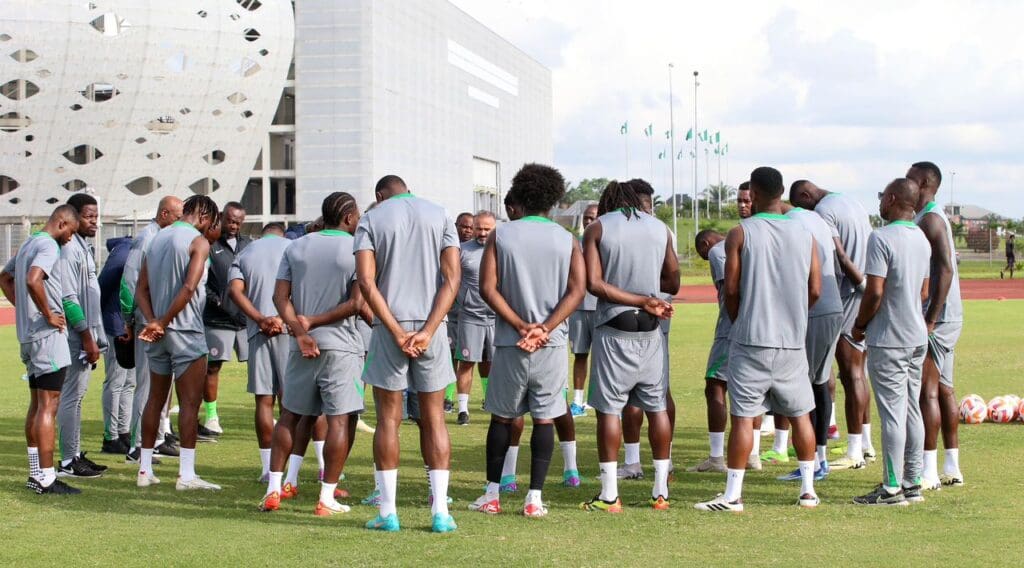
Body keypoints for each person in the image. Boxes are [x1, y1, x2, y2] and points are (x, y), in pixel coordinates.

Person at [696, 167, 822, 512]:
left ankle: (733, 495)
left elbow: (731, 289)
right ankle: (808, 491)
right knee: (800, 415)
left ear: (753, 193)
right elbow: (815, 289)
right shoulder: (804, 233)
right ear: (781, 192)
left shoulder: (740, 233)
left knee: (742, 417)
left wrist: (742, 319)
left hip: (751, 338)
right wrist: (795, 316)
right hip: (791, 340)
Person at [468, 163, 585, 518]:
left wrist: (520, 325)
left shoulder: (501, 235)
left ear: (519, 195)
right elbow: (577, 291)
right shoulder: (567, 238)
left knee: (502, 419)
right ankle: (534, 498)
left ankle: (492, 494)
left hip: (510, 342)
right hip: (550, 343)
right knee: (545, 419)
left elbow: (488, 288)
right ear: (554, 199)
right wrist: (544, 328)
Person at [356, 175, 459, 533]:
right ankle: (440, 512)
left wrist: (397, 331)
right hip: (432, 326)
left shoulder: (371, 219)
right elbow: (452, 279)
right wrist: (428, 329)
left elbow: (366, 282)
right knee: (434, 419)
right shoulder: (440, 214)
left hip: (389, 327)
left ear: (380, 195)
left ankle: (388, 512)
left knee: (388, 419)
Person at [262, 194, 366, 516]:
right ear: (348, 218)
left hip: (301, 347)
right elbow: (356, 303)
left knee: (290, 415)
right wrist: (314, 322)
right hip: (342, 346)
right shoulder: (357, 249)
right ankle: (327, 496)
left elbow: (280, 297)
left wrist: (300, 331)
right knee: (340, 420)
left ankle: (274, 488)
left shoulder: (295, 246)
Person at [581, 181, 680, 513]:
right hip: (651, 331)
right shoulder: (660, 228)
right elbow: (673, 281)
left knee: (609, 409)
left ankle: (609, 495)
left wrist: (637, 297)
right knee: (657, 407)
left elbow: (594, 284)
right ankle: (661, 492)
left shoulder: (597, 228)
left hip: (615, 326)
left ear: (608, 202)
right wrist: (649, 293)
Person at [851, 178, 931, 505]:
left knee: (892, 415)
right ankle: (913, 482)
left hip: (889, 337)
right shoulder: (921, 237)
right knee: (912, 409)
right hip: (916, 335)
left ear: (893, 199)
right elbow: (924, 291)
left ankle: (891, 487)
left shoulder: (881, 237)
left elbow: (874, 291)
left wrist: (859, 325)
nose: (880, 202)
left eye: (882, 197)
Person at [135, 195, 221, 490]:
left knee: (155, 399)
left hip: (157, 332)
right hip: (185, 331)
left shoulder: (156, 238)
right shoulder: (198, 241)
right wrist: (164, 321)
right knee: (189, 403)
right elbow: (189, 286)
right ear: (205, 217)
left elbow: (140, 289)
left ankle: (145, 470)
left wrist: (153, 320)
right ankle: (186, 474)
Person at [791, 179, 876, 469]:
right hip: (863, 289)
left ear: (806, 195)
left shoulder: (823, 212)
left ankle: (853, 451)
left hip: (849, 292)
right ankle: (865, 443)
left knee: (849, 373)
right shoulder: (853, 202)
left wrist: (861, 286)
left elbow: (837, 254)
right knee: (859, 372)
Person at [0, 205, 80, 494]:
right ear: (62, 223)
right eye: (70, 232)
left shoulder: (29, 243)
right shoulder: (48, 246)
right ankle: (46, 477)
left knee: (37, 404)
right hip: (47, 337)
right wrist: (47, 314)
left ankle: (36, 473)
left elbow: (4, 277)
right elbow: (33, 279)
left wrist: (25, 309)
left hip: (29, 337)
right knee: (49, 404)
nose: (70, 239)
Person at [907, 161, 965, 489]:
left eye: (911, 178)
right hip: (942, 315)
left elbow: (945, 269)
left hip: (937, 319)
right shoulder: (924, 216)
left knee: (926, 391)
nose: (906, 182)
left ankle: (928, 471)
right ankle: (952, 467)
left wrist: (930, 317)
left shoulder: (930, 219)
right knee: (943, 389)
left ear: (926, 183)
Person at [776, 201, 844, 482]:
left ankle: (814, 463)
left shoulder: (791, 224)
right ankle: (821, 459)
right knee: (819, 383)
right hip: (833, 306)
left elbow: (796, 271)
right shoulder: (816, 219)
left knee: (803, 387)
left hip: (813, 309)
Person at [616, 178, 678, 481]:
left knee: (645, 392)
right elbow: (672, 279)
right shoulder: (659, 230)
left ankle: (645, 461)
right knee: (653, 391)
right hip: (653, 313)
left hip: (636, 315)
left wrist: (642, 293)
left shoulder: (641, 230)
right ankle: (647, 461)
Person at [227, 223, 292, 483]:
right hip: (291, 330)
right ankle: (291, 470)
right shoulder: (293, 248)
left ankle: (267, 469)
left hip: (258, 332)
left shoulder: (244, 253)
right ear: (282, 234)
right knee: (292, 402)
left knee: (264, 401)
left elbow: (234, 290)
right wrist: (282, 318)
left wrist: (261, 319)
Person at [121, 196, 184, 462]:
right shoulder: (147, 239)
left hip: (161, 320)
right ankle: (136, 446)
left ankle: (156, 438)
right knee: (146, 384)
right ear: (164, 214)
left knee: (162, 383)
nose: (181, 221)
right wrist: (128, 318)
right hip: (147, 321)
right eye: (178, 216)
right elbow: (129, 281)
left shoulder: (164, 238)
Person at [56, 193, 107, 478]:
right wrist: (87, 337)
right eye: (89, 216)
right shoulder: (68, 249)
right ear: (74, 217)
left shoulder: (82, 247)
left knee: (77, 397)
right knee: (70, 397)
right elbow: (68, 298)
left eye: (96, 217)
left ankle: (74, 454)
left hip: (86, 335)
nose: (94, 222)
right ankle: (67, 461)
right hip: (76, 337)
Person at [202, 202, 250, 436]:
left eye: (238, 222)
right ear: (221, 217)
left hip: (245, 319)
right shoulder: (209, 244)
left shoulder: (248, 245)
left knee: (259, 365)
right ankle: (211, 417)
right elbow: (201, 281)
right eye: (230, 221)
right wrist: (217, 301)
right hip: (217, 320)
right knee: (213, 367)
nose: (233, 226)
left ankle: (266, 409)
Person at [689, 229, 730, 473]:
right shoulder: (744, 241)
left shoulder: (717, 251)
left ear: (705, 243)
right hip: (760, 327)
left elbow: (730, 288)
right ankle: (753, 453)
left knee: (715, 385)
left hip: (731, 329)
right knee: (748, 390)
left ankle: (716, 458)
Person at [454, 211, 497, 425]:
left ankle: (492, 401)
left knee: (494, 362)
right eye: (478, 228)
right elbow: (451, 280)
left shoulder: (502, 249)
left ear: (494, 228)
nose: (482, 233)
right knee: (467, 362)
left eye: (487, 229)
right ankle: (463, 409)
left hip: (497, 317)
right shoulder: (462, 250)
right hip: (470, 316)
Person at [98, 234, 134, 455]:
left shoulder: (132, 249)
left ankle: (123, 431)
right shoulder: (124, 251)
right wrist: (115, 322)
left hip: (130, 325)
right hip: (118, 326)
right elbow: (102, 287)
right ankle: (110, 437)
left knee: (129, 382)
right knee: (116, 380)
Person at [568, 203, 599, 417]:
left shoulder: (606, 244)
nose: (589, 221)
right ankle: (578, 402)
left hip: (602, 308)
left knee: (602, 358)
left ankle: (600, 400)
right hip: (578, 309)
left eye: (593, 217)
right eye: (586, 217)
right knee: (580, 355)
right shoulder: (574, 244)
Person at [445, 212, 476, 412]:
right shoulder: (449, 249)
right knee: (450, 355)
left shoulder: (479, 251)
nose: (467, 231)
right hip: (451, 312)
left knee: (475, 358)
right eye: (464, 226)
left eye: (471, 227)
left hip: (473, 314)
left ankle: (484, 397)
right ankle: (447, 398)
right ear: (456, 226)